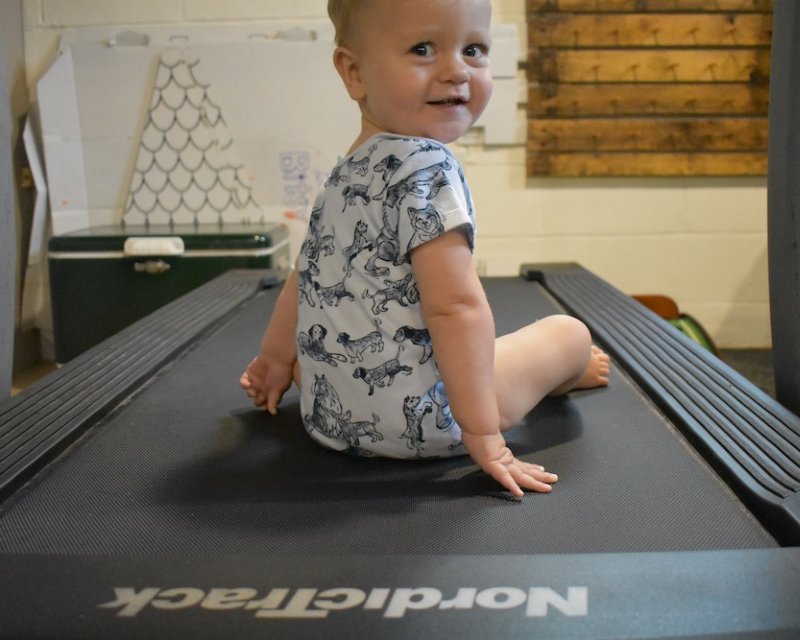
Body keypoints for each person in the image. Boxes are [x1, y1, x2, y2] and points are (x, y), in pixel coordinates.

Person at [241, 0, 610, 497]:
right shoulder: (427, 165)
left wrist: (273, 359)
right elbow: (455, 308)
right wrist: (485, 437)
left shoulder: (343, 172)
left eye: (474, 49)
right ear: (354, 72)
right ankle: (568, 372)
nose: (457, 70)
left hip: (330, 413)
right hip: (430, 424)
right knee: (567, 333)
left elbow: (306, 273)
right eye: (422, 49)